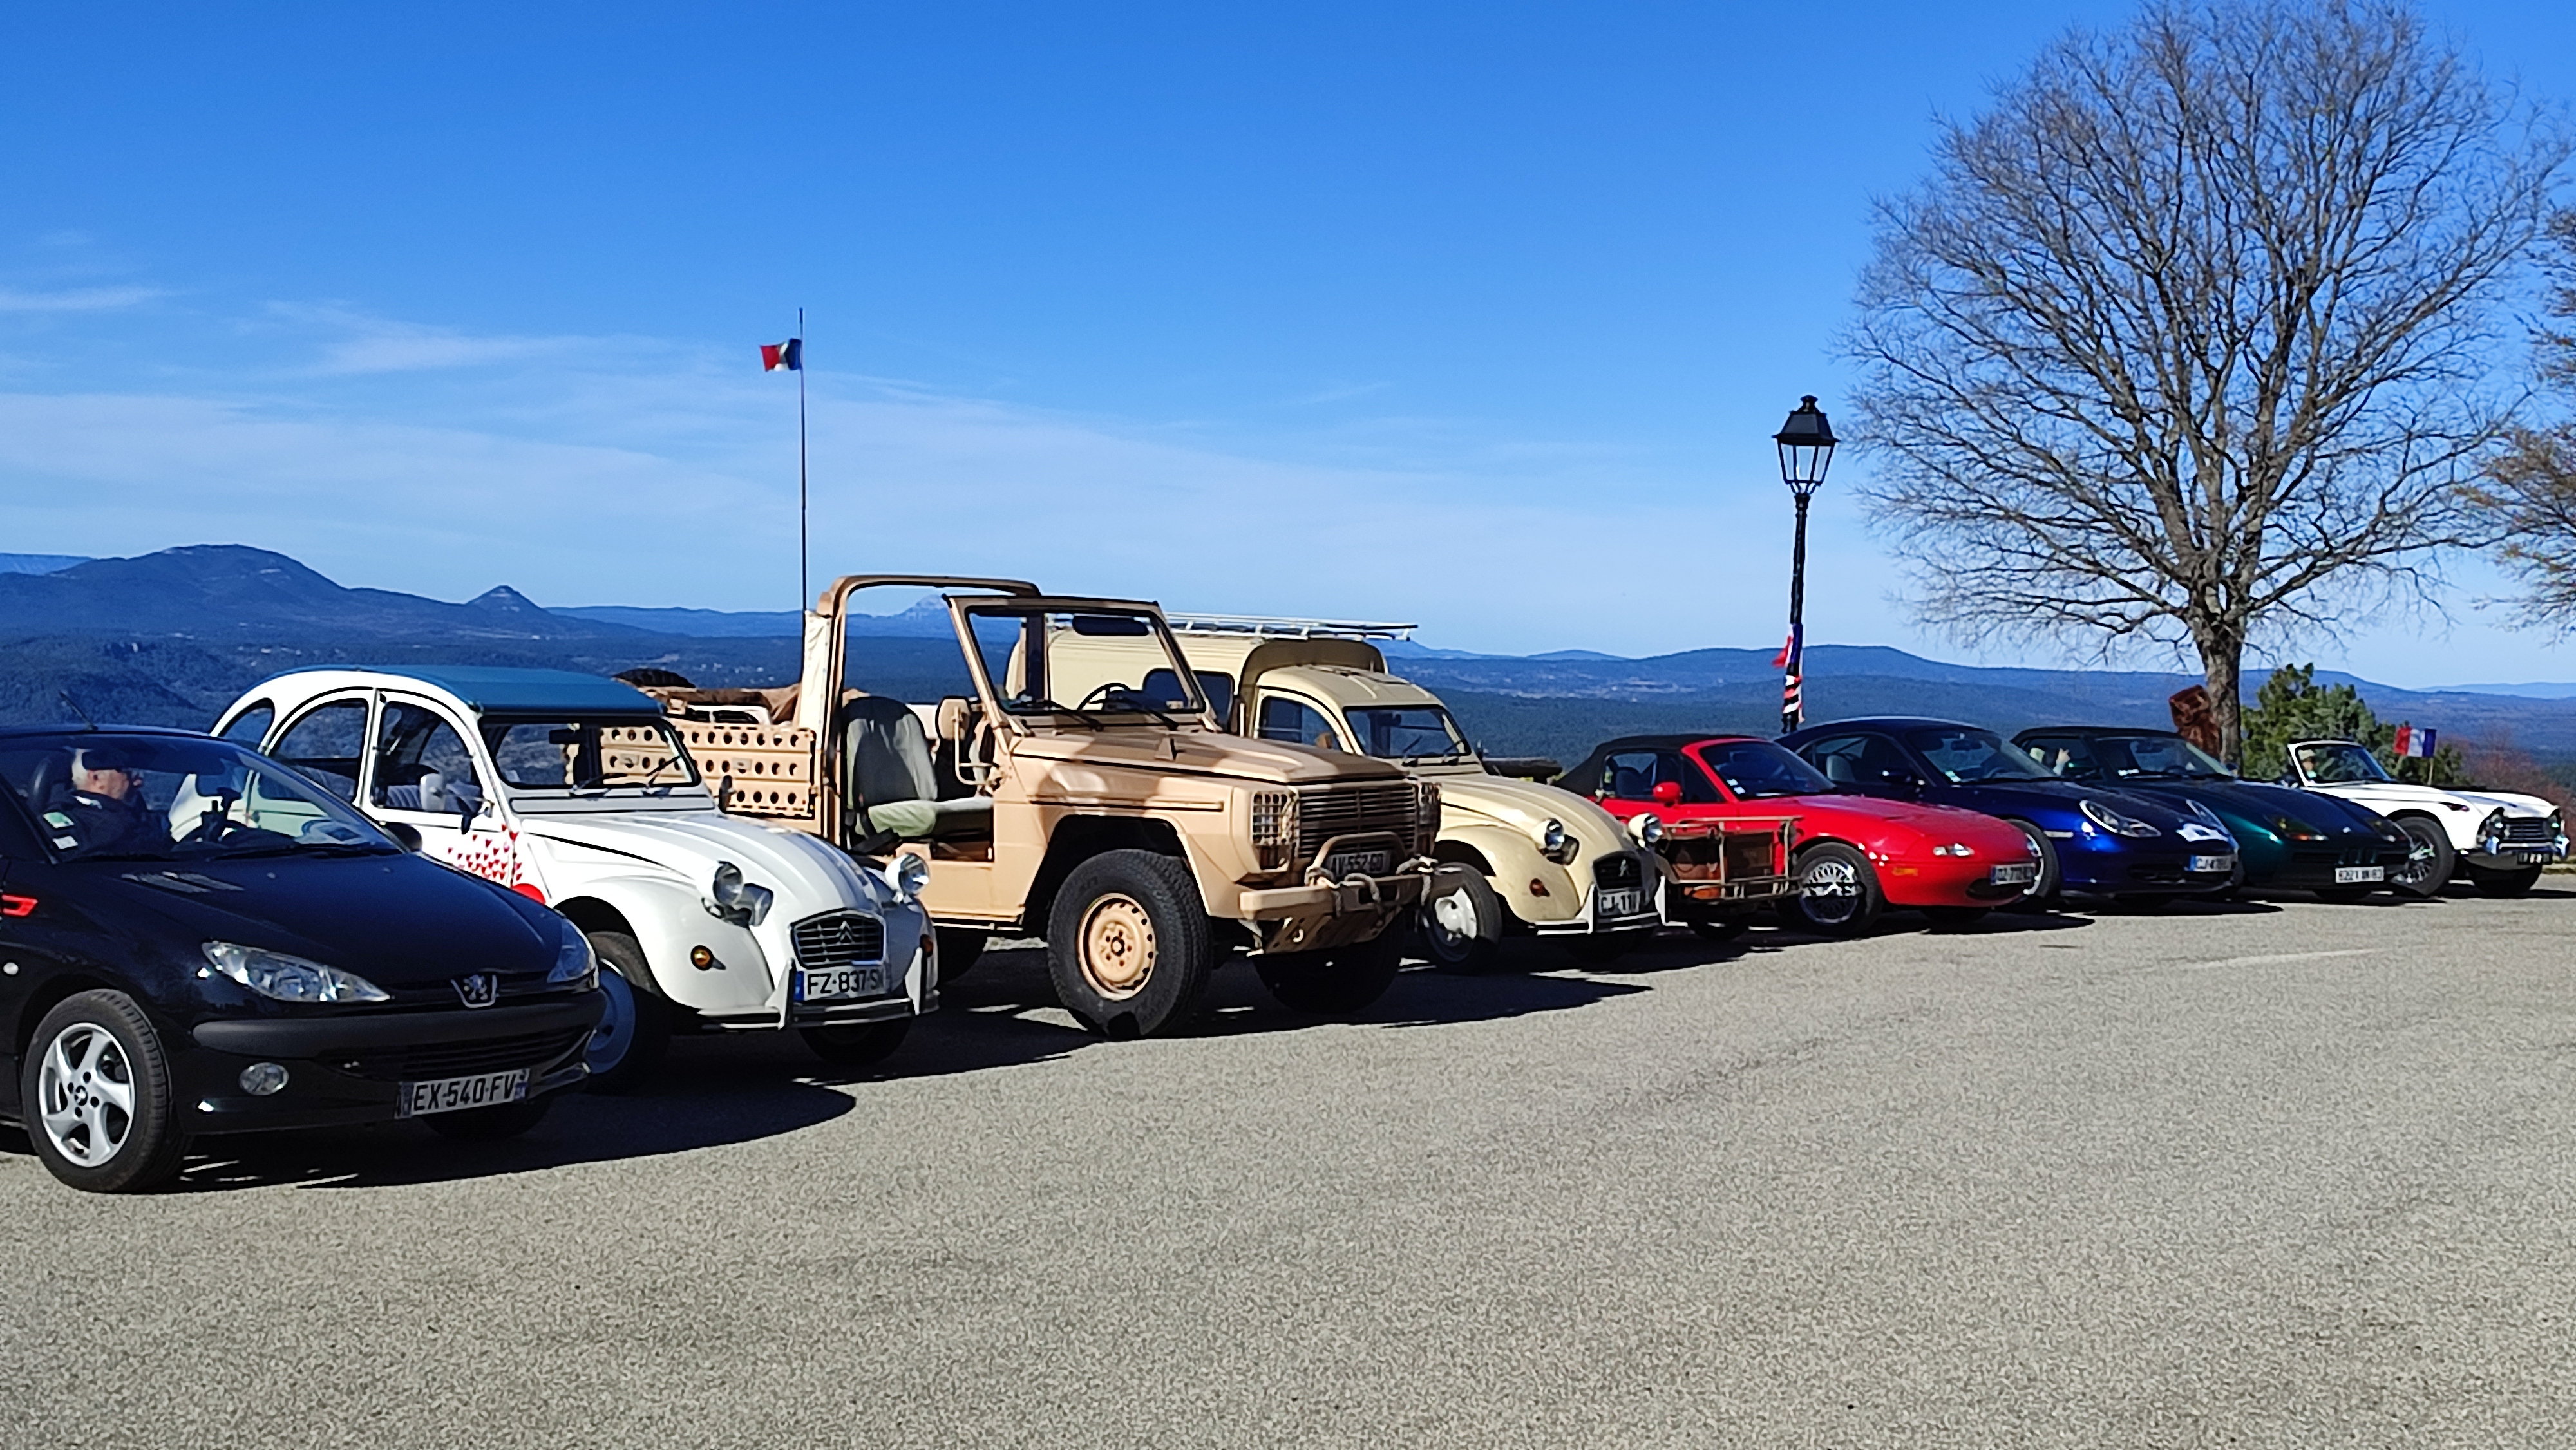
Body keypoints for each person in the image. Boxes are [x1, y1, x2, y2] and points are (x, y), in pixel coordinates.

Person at [39, 743, 155, 855]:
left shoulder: (140, 817)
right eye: (131, 774)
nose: (139, 782)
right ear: (96, 778)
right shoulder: (73, 827)